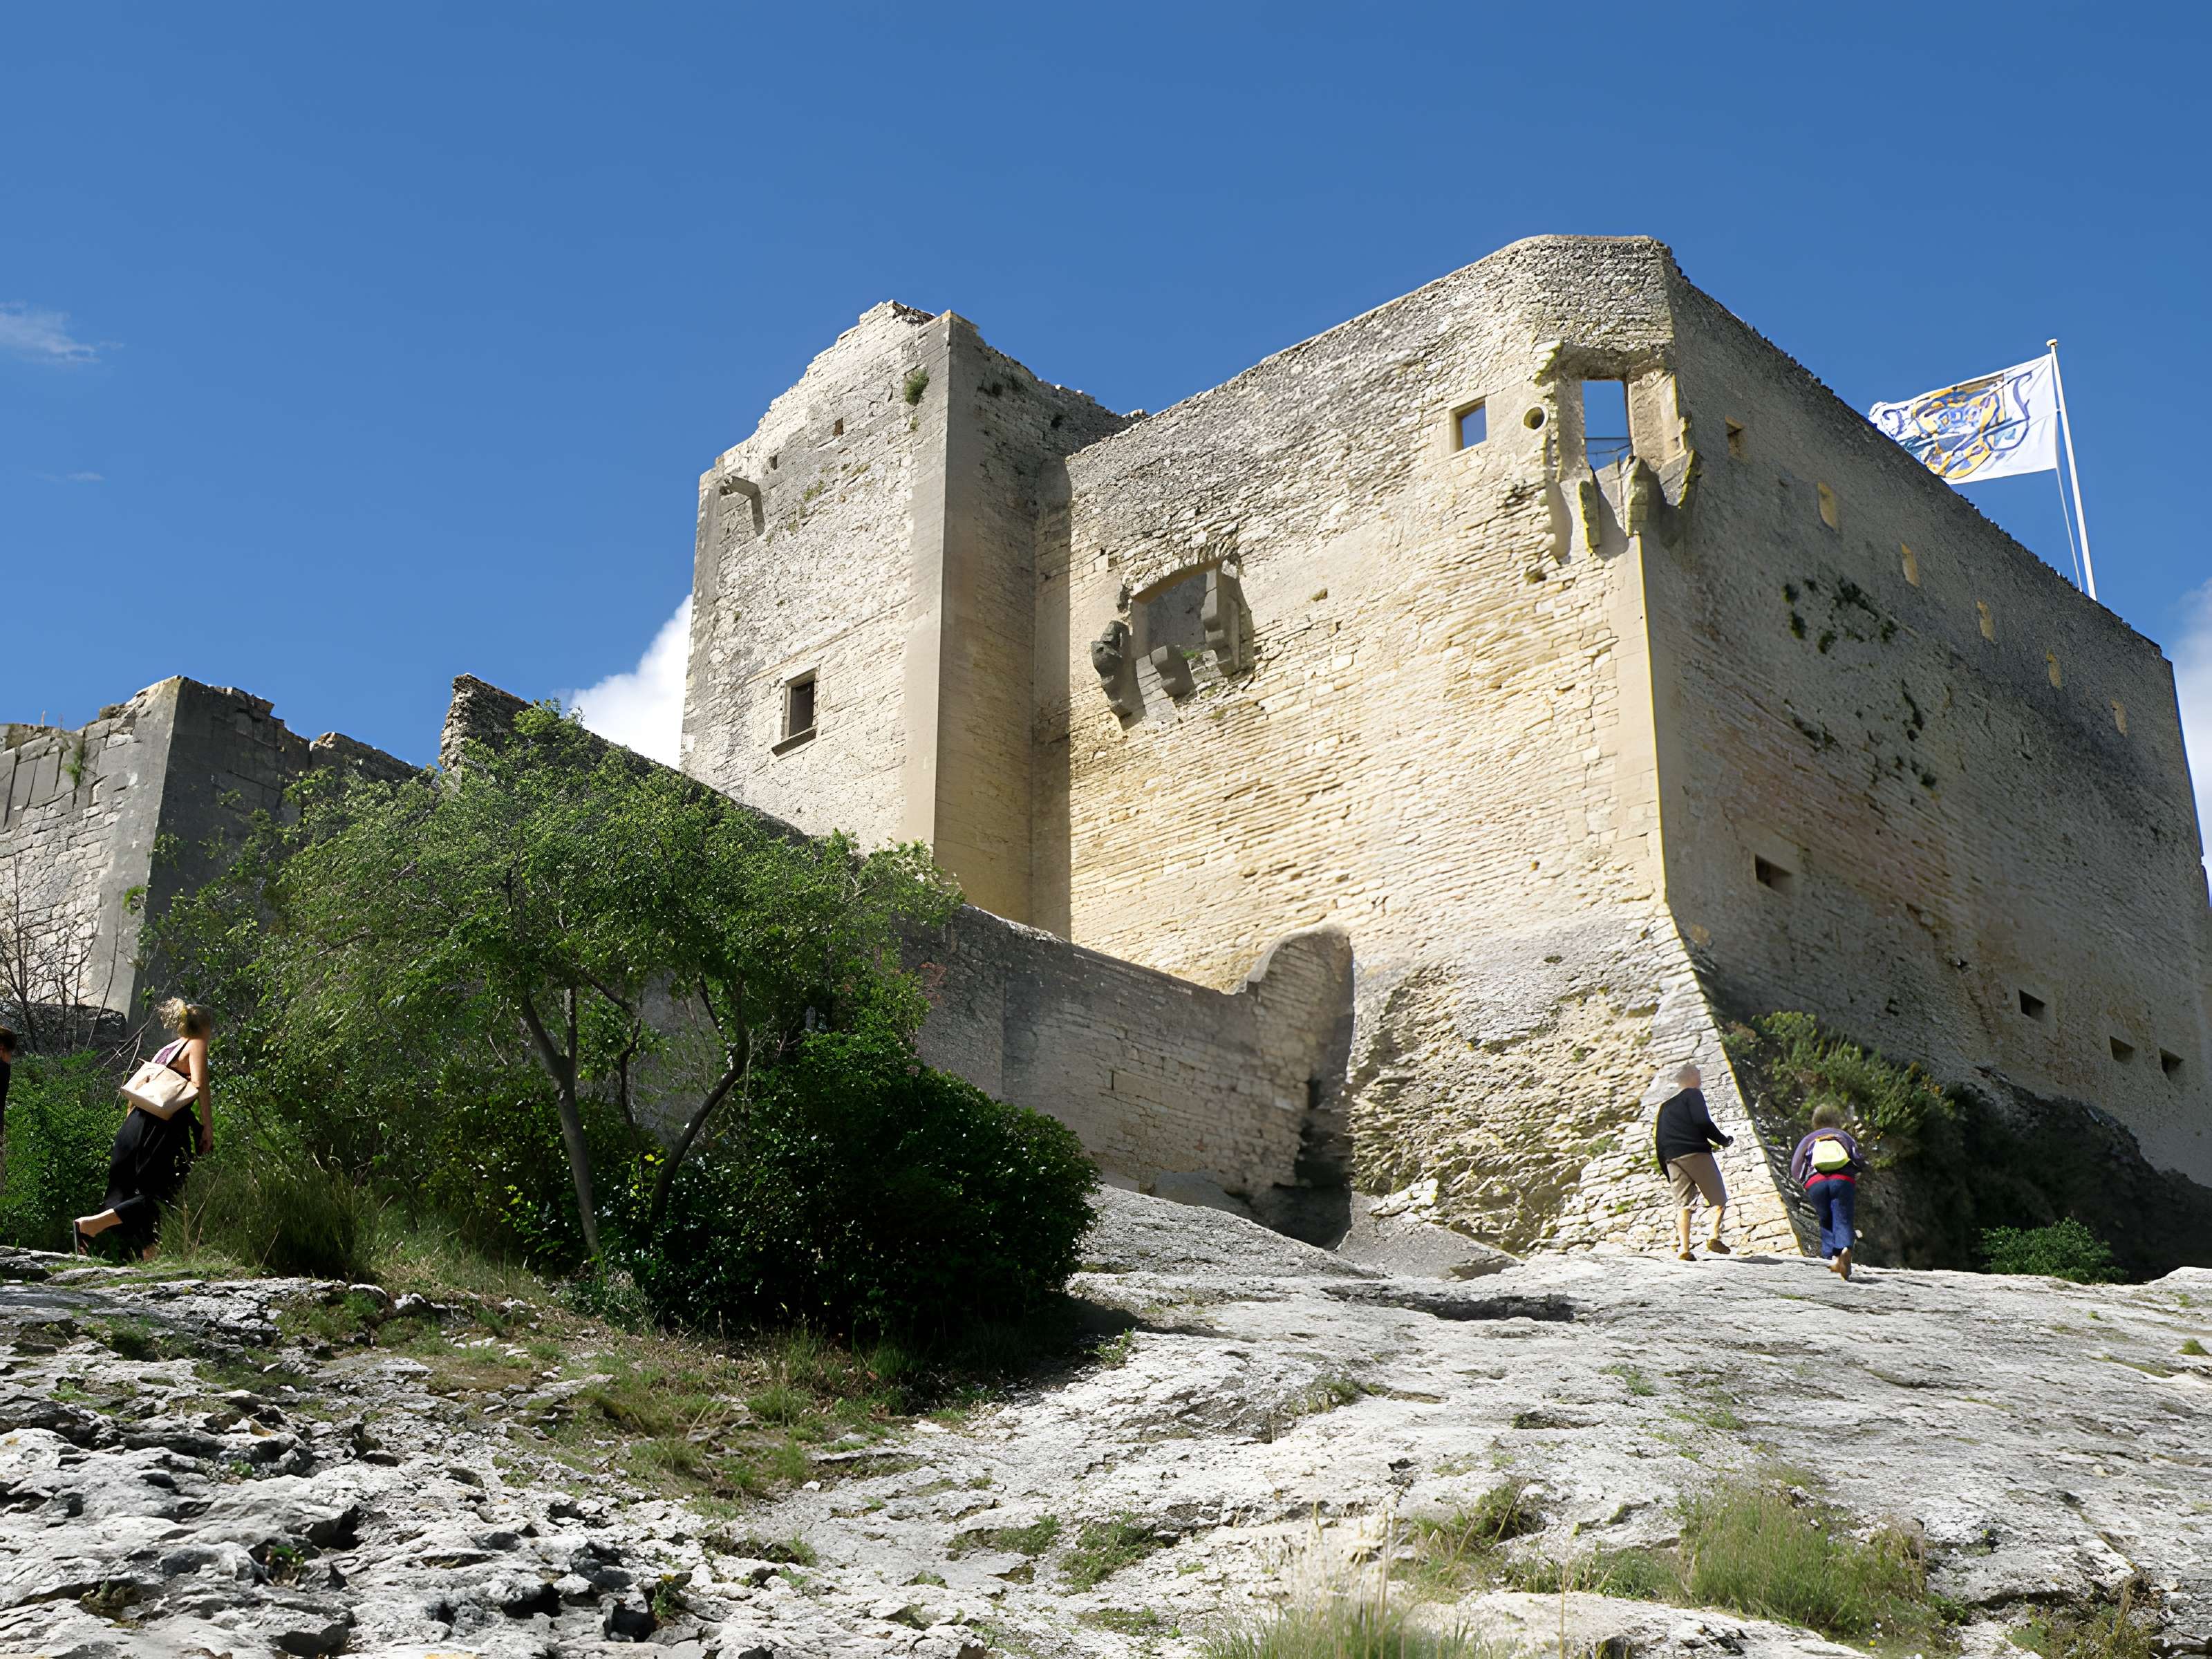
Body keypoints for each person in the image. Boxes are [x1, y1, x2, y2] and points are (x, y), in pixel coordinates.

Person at [75, 999, 214, 1259]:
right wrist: (207, 1127)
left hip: (137, 1123)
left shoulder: (168, 1049)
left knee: (138, 1192)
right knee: (163, 1194)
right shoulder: (197, 1044)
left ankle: (149, 1255)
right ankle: (90, 1225)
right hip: (161, 1128)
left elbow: (140, 1090)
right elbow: (199, 1084)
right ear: (205, 1027)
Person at [1653, 1062, 1733, 1261]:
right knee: (1719, 1198)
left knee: (1684, 1205)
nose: (1701, 1078)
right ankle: (1714, 1235)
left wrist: (1666, 1166)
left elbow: (1659, 1139)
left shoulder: (1665, 1107)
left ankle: (1684, 1250)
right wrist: (1723, 1141)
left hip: (1672, 1157)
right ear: (1690, 1078)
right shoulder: (1693, 1095)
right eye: (1698, 1074)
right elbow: (1703, 1122)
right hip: (1695, 1152)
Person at [1790, 1100, 1864, 1279]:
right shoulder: (1842, 1136)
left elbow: (1795, 1167)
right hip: (1842, 1180)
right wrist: (1856, 1172)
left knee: (1825, 1219)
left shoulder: (1809, 1139)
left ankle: (1832, 1258)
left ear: (1815, 1122)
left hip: (1815, 1183)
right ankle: (1845, 1249)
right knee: (1843, 1218)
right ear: (1836, 1120)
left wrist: (1805, 1182)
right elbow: (1858, 1159)